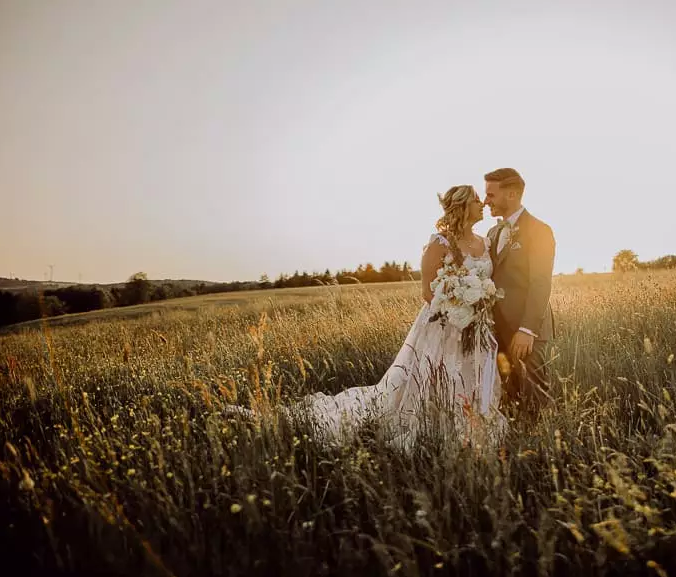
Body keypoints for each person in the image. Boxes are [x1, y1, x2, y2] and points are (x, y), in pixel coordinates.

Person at [226, 185, 505, 450]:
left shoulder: (486, 242)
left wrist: (478, 307)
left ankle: (473, 419)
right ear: (462, 206)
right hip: (443, 325)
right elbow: (427, 292)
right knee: (434, 377)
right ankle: (433, 421)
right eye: (476, 199)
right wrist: (458, 307)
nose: (482, 203)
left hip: (479, 325)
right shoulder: (439, 243)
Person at [483, 168, 556, 415]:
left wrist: (527, 329)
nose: (486, 201)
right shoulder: (492, 233)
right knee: (508, 400)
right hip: (496, 331)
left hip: (526, 332)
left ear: (512, 194)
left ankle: (545, 440)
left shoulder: (539, 230)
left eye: (491, 195)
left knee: (535, 398)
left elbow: (540, 282)